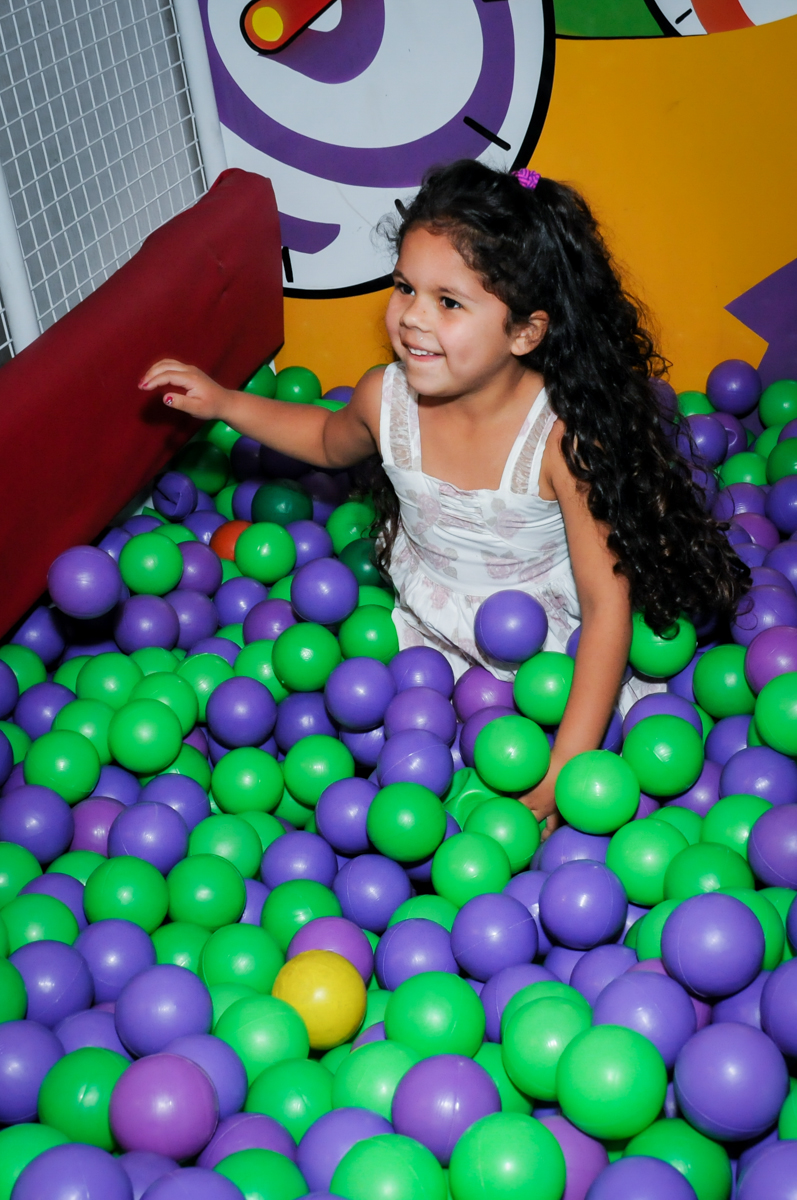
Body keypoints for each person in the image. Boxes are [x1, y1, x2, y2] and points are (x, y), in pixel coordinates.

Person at [140, 158, 748, 829]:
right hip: (430, 629)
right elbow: (323, 439)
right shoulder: (385, 400)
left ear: (525, 331)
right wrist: (226, 402)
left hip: (549, 648)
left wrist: (564, 769)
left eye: (448, 302)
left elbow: (607, 607)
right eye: (405, 287)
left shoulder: (560, 440)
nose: (412, 318)